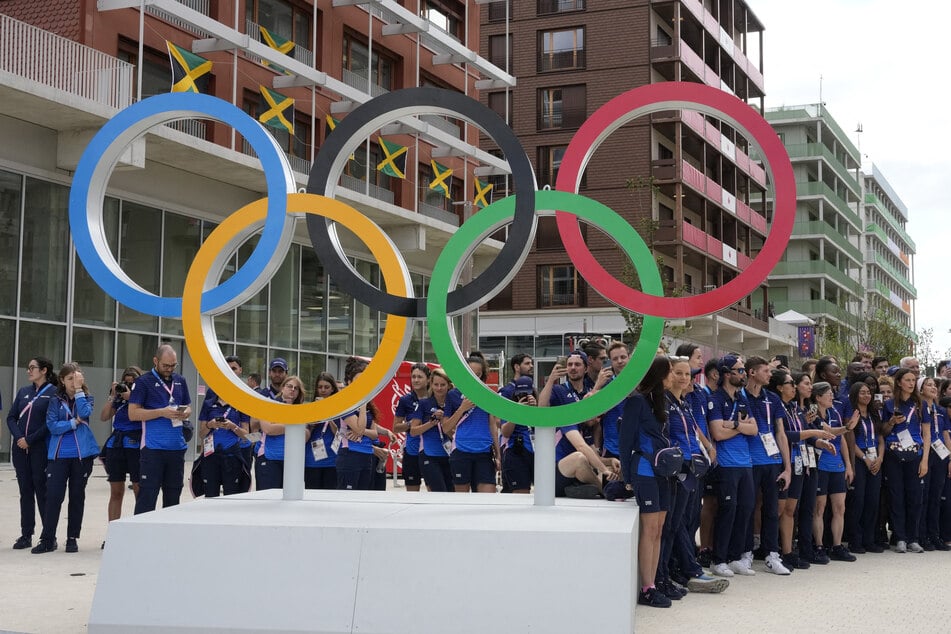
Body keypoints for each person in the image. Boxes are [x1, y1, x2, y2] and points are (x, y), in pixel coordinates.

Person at [665, 356, 728, 595]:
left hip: (694, 464)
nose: (685, 378)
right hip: (677, 466)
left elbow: (694, 428)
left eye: (688, 374)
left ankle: (684, 564)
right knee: (679, 520)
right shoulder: (665, 401)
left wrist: (709, 446)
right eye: (679, 373)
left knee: (691, 518)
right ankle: (689, 568)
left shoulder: (686, 402)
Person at [619, 356, 674, 608]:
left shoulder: (661, 402)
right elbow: (626, 441)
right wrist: (628, 477)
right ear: (660, 375)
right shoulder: (636, 402)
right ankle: (647, 587)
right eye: (671, 372)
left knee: (660, 528)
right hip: (644, 471)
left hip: (663, 472)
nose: (674, 376)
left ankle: (654, 582)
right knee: (650, 529)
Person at [33, 363, 99, 554]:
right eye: (69, 379)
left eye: (76, 378)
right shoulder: (55, 400)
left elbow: (85, 413)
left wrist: (79, 391)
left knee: (77, 497)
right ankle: (47, 539)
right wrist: (73, 422)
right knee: (53, 496)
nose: (72, 382)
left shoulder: (86, 397)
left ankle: (72, 538)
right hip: (59, 455)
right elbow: (52, 426)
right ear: (62, 380)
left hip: (81, 456)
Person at [772, 370, 833, 570]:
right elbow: (784, 435)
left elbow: (806, 436)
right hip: (786, 462)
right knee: (786, 509)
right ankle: (781, 550)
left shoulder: (797, 409)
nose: (809, 386)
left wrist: (820, 442)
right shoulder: (778, 406)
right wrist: (813, 432)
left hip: (803, 461)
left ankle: (798, 550)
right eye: (804, 383)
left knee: (802, 508)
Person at [540, 350, 618, 499]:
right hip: (558, 467)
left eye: (577, 364)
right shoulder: (561, 394)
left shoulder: (588, 392)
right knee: (580, 458)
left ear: (586, 368)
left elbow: (589, 418)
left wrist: (609, 461)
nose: (573, 368)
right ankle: (604, 490)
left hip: (581, 458)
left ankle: (584, 487)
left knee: (610, 464)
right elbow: (541, 408)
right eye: (569, 365)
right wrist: (550, 380)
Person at [708, 355, 759, 577]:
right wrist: (742, 427)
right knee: (728, 510)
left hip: (745, 463)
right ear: (726, 374)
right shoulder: (716, 399)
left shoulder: (742, 398)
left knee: (746, 509)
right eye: (739, 371)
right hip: (727, 465)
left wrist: (736, 424)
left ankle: (737, 557)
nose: (744, 374)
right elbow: (718, 433)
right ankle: (718, 559)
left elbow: (754, 429)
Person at [743, 356, 792, 575]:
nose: (769, 374)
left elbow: (780, 432)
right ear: (752, 372)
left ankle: (772, 554)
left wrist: (787, 467)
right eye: (765, 370)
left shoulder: (772, 398)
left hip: (772, 461)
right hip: (749, 461)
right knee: (748, 508)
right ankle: (745, 553)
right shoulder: (740, 396)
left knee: (772, 509)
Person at [129, 344, 192, 515]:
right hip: (153, 449)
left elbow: (188, 407)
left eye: (173, 365)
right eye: (166, 365)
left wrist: (185, 413)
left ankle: (169, 539)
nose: (169, 369)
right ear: (155, 361)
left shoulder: (180, 380)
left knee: (173, 500)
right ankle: (142, 539)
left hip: (176, 449)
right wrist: (161, 412)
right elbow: (133, 414)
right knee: (147, 497)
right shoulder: (143, 382)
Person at [7, 356, 57, 550]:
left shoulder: (53, 393)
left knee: (41, 489)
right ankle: (26, 534)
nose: (28, 371)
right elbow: (11, 417)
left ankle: (48, 537)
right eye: (28, 368)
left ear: (44, 370)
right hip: (20, 448)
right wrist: (20, 438)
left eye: (32, 368)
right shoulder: (23, 392)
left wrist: (30, 439)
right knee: (25, 490)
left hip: (39, 447)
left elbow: (50, 422)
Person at [881, 368, 929, 553]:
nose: (911, 383)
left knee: (915, 497)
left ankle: (913, 538)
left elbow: (926, 433)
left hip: (915, 455)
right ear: (899, 382)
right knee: (896, 495)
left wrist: (925, 460)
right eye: (907, 380)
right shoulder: (889, 404)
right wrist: (892, 422)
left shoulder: (920, 405)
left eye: (913, 380)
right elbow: (883, 432)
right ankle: (899, 537)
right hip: (893, 455)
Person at [811, 381, 856, 562]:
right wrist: (847, 427)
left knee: (840, 507)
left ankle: (837, 546)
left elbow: (842, 440)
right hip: (820, 464)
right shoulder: (813, 415)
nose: (832, 397)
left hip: (836, 464)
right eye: (828, 394)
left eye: (832, 393)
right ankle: (819, 546)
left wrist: (848, 465)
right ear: (818, 397)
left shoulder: (834, 412)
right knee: (819, 508)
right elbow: (828, 431)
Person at [444, 354, 501, 493]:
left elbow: (492, 425)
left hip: (484, 452)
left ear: (482, 375)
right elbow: (446, 427)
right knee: (462, 501)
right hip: (461, 451)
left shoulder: (488, 394)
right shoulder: (453, 395)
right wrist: (462, 408)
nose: (474, 377)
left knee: (487, 499)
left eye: (478, 374)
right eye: (470, 373)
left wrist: (498, 454)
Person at [198, 356, 252, 497]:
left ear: (240, 370)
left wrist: (233, 427)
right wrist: (211, 424)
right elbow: (201, 433)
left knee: (232, 497)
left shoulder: (244, 397)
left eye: (233, 368)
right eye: (227, 369)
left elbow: (248, 434)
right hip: (211, 455)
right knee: (210, 497)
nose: (230, 372)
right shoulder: (211, 397)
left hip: (232, 455)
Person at [845, 380, 886, 553]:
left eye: (868, 392)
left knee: (873, 501)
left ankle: (869, 539)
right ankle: (856, 540)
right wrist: (865, 459)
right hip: (860, 460)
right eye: (862, 392)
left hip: (875, 459)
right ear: (855, 395)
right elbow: (850, 440)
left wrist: (880, 458)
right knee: (858, 501)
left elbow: (881, 438)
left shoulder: (874, 413)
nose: (867, 395)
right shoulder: (852, 414)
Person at [100, 366, 143, 524]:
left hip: (136, 444)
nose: (128, 386)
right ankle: (112, 531)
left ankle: (139, 531)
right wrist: (113, 396)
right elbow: (104, 417)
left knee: (139, 489)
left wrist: (132, 397)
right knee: (116, 491)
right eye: (126, 382)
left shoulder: (143, 396)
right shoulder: (119, 399)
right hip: (117, 444)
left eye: (133, 383)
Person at [409, 368, 458, 492]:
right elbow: (413, 431)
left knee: (452, 494)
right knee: (439, 492)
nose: (439, 388)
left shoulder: (454, 403)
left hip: (450, 455)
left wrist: (445, 424)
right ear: (431, 384)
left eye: (443, 385)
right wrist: (431, 423)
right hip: (429, 455)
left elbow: (457, 431)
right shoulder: (425, 404)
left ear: (449, 386)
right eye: (436, 385)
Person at [917, 376, 950, 551]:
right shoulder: (919, 407)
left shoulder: (941, 410)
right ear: (921, 389)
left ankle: (934, 534)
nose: (933, 387)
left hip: (941, 455)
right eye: (928, 385)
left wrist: (950, 458)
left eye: (934, 385)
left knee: (936, 497)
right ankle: (922, 535)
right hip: (925, 453)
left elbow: (945, 435)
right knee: (925, 495)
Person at [257, 376, 306, 490]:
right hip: (269, 457)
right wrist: (295, 425)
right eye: (289, 386)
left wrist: (280, 426)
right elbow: (268, 429)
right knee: (268, 497)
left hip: (292, 460)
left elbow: (305, 435)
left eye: (296, 388)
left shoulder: (301, 410)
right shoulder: (268, 406)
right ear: (282, 388)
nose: (292, 389)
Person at [335, 357, 377, 491]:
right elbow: (359, 429)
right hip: (350, 454)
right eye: (359, 381)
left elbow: (374, 433)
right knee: (348, 496)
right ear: (349, 382)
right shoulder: (345, 403)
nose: (363, 385)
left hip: (367, 454)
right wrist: (363, 405)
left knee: (363, 496)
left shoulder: (369, 403)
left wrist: (362, 431)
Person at [392, 364, 430, 492]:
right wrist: (411, 424)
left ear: (428, 379)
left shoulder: (434, 398)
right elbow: (395, 428)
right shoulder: (405, 400)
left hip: (432, 451)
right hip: (412, 451)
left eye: (420, 377)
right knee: (412, 493)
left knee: (435, 492)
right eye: (413, 377)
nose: (416, 380)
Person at [500, 376, 536, 494]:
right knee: (521, 493)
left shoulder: (540, 406)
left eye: (526, 394)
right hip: (517, 452)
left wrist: (536, 409)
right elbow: (505, 432)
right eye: (520, 394)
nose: (523, 397)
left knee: (544, 492)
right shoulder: (510, 408)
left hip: (538, 453)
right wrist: (517, 412)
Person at [305, 373, 341, 490]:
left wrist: (327, 414)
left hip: (332, 459)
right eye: (320, 387)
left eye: (326, 387)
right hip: (312, 458)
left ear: (332, 389)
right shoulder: (310, 407)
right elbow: (306, 431)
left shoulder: (339, 408)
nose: (323, 390)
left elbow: (339, 433)